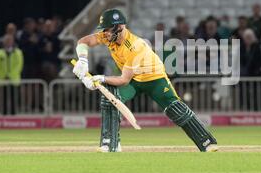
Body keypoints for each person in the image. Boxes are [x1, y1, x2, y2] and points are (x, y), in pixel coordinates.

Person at [72, 8, 218, 152]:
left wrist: (100, 78)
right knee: (110, 100)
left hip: (154, 78)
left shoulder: (134, 46)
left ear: (120, 27)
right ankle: (110, 144)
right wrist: (83, 60)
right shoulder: (108, 36)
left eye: (108, 29)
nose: (105, 33)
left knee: (175, 109)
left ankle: (206, 142)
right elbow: (83, 41)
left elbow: (124, 80)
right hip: (135, 80)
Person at [0, 35, 24, 115]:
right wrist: (3, 76)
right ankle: (4, 114)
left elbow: (19, 65)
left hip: (14, 79)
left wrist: (10, 75)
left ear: (13, 41)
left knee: (14, 97)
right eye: (6, 40)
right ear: (3, 42)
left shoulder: (18, 52)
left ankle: (13, 113)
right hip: (3, 79)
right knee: (3, 97)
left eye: (10, 40)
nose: (8, 42)